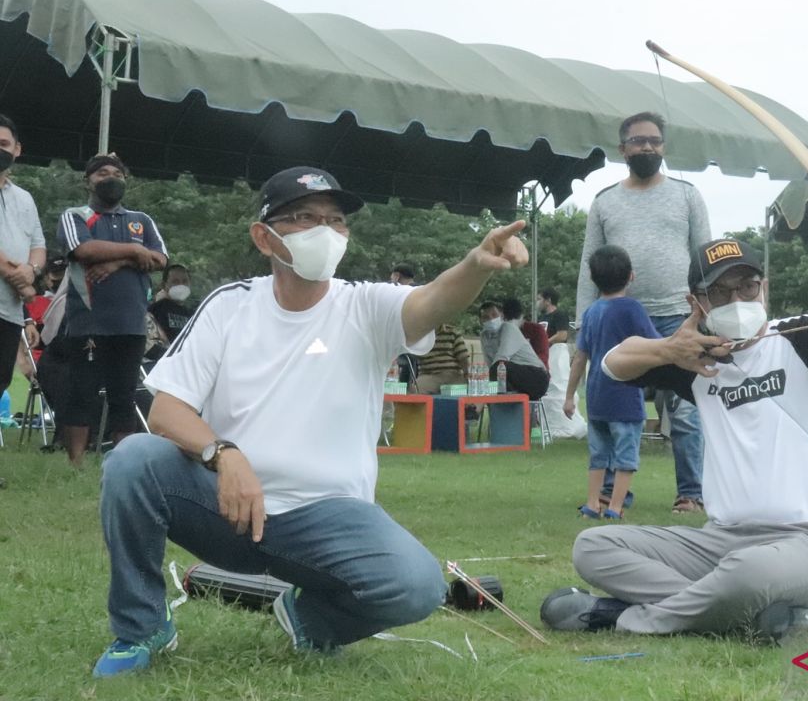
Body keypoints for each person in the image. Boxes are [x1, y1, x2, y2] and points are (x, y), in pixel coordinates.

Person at [91, 165, 529, 677]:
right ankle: (140, 628)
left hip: (329, 518)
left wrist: (476, 264)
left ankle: (308, 620)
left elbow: (432, 300)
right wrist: (223, 455)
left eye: (336, 220)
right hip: (225, 505)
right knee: (132, 460)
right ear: (264, 236)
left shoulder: (366, 306)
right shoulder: (229, 307)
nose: (326, 231)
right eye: (304, 217)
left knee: (418, 586)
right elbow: (166, 411)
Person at [540, 238, 808, 639]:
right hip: (721, 541)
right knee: (593, 546)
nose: (737, 299)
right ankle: (734, 607)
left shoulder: (799, 339)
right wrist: (669, 348)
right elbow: (613, 363)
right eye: (719, 292)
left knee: (748, 575)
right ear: (695, 304)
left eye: (747, 286)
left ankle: (622, 617)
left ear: (764, 289)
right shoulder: (694, 359)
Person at [574, 111, 711, 513]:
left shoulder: (688, 195)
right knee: (611, 411)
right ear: (623, 149)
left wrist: (707, 315)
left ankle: (691, 493)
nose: (647, 147)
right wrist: (584, 324)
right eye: (638, 141)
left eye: (654, 140)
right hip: (616, 324)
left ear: (663, 147)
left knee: (686, 412)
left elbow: (704, 260)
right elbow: (589, 266)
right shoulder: (604, 201)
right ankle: (612, 494)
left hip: (676, 319)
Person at [56, 154, 168, 466]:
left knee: (124, 396)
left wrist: (118, 261)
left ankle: (123, 462)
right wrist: (135, 251)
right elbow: (83, 249)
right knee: (82, 393)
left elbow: (161, 259)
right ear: (87, 181)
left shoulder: (141, 220)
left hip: (131, 323)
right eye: (102, 173)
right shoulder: (76, 215)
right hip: (89, 322)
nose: (110, 178)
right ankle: (75, 463)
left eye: (117, 173)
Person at [564, 245, 658, 519]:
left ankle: (593, 504)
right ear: (631, 276)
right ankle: (615, 507)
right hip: (626, 396)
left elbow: (580, 358)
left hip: (596, 396)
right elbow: (655, 345)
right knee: (625, 455)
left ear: (593, 280)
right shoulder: (633, 309)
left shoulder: (591, 313)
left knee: (598, 454)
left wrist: (570, 396)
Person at [0, 114, 46, 400]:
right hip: (17, 295)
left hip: (9, 310)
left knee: (3, 376)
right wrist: (23, 284)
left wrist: (31, 270)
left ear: (17, 149)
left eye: (4, 143)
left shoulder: (24, 198)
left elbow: (39, 244)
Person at [479, 300, 550, 400]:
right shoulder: (484, 336)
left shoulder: (509, 328)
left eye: (494, 315)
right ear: (481, 321)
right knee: (492, 376)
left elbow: (501, 359)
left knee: (498, 368)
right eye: (486, 317)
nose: (490, 319)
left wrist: (485, 387)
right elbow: (489, 363)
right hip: (512, 377)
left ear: (502, 316)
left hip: (537, 377)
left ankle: (477, 407)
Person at [146, 264, 194, 358]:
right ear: (164, 285)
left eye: (185, 281)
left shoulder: (193, 315)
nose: (181, 285)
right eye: (175, 282)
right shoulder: (155, 310)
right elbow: (150, 345)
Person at [414, 322, 470, 394]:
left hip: (453, 375)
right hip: (429, 375)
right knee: (414, 392)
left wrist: (466, 374)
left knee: (469, 392)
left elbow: (463, 357)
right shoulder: (420, 334)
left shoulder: (453, 332)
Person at [503, 297, 549, 369]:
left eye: (515, 318)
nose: (512, 322)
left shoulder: (536, 330)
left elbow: (543, 355)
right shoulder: (504, 332)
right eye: (508, 319)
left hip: (536, 370)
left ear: (522, 316)